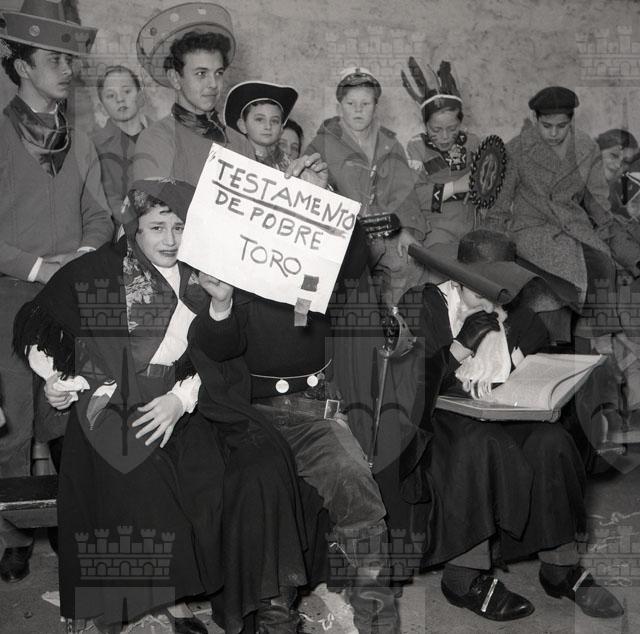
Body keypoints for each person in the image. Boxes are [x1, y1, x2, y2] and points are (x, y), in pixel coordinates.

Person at [14, 178, 313, 634]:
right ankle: (149, 606)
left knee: (252, 466)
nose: (171, 240)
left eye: (180, 227)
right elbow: (49, 332)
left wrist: (180, 398)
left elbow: (222, 355)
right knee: (137, 479)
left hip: (189, 402)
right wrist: (58, 384)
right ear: (134, 228)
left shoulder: (205, 274)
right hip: (108, 408)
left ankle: (247, 599)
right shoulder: (97, 272)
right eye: (157, 227)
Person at [224, 78, 400, 633]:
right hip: (249, 407)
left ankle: (376, 614)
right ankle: (275, 614)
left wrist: (325, 204)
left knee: (357, 486)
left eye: (279, 123)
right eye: (259, 121)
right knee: (267, 494)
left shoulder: (316, 220)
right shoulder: (229, 223)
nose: (272, 133)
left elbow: (356, 264)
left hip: (312, 402)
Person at [389, 230, 624, 621]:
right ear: (457, 279)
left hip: (501, 413)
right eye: (479, 290)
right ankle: (463, 576)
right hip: (436, 419)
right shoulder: (423, 304)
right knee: (478, 444)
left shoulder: (518, 316)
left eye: (497, 292)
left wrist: (548, 394)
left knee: (552, 441)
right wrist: (460, 346)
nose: (489, 302)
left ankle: (560, 567)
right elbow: (409, 385)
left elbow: (528, 373)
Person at [0, 0, 112, 585]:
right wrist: (42, 266)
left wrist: (84, 255)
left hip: (67, 299)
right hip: (9, 298)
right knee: (15, 423)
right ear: (21, 66)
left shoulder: (81, 140)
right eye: (54, 60)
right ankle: (14, 538)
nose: (68, 70)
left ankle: (76, 528)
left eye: (70, 60)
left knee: (70, 416)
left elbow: (100, 214)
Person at [306, 66, 428, 306]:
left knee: (410, 262)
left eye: (366, 103)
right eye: (351, 103)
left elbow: (404, 192)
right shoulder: (321, 143)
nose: (358, 109)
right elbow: (309, 190)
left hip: (384, 232)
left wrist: (406, 230)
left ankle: (396, 320)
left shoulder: (390, 145)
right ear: (339, 106)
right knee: (346, 284)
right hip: (342, 235)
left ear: (376, 106)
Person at [402, 58, 480, 254]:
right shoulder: (416, 148)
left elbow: (490, 180)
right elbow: (414, 195)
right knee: (441, 264)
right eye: (436, 129)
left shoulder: (473, 143)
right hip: (436, 226)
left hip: (473, 223)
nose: (445, 136)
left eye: (452, 128)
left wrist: (480, 187)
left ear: (461, 123)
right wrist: (456, 186)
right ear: (425, 125)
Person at [92, 65, 147, 216]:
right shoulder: (96, 148)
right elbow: (111, 202)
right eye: (111, 96)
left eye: (127, 91)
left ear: (141, 97)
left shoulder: (164, 137)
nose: (120, 99)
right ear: (102, 108)